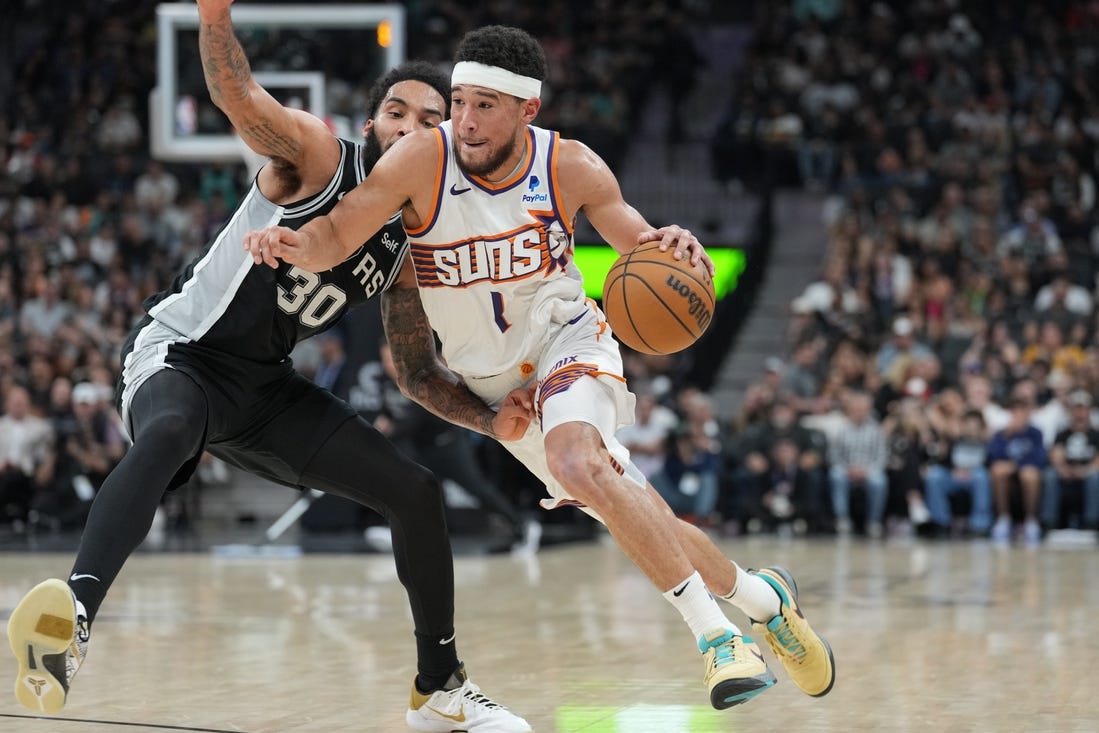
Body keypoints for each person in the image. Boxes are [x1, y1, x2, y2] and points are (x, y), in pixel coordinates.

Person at [247, 24, 835, 709]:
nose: (463, 120)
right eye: (459, 100)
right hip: (497, 386)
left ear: (527, 110)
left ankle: (716, 640)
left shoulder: (571, 166)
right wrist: (292, 243)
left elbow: (636, 243)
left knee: (580, 463)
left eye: (484, 105)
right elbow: (338, 232)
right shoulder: (414, 163)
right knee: (630, 507)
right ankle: (764, 598)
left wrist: (665, 244)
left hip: (567, 341)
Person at [7, 4, 532, 731]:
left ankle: (439, 686)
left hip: (264, 388)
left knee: (414, 493)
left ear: (443, 136)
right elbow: (238, 97)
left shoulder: (408, 244)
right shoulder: (320, 157)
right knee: (168, 433)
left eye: (427, 118)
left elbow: (415, 373)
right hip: (182, 353)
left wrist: (490, 420)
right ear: (372, 123)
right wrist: (216, 18)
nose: (408, 126)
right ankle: (74, 617)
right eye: (394, 111)